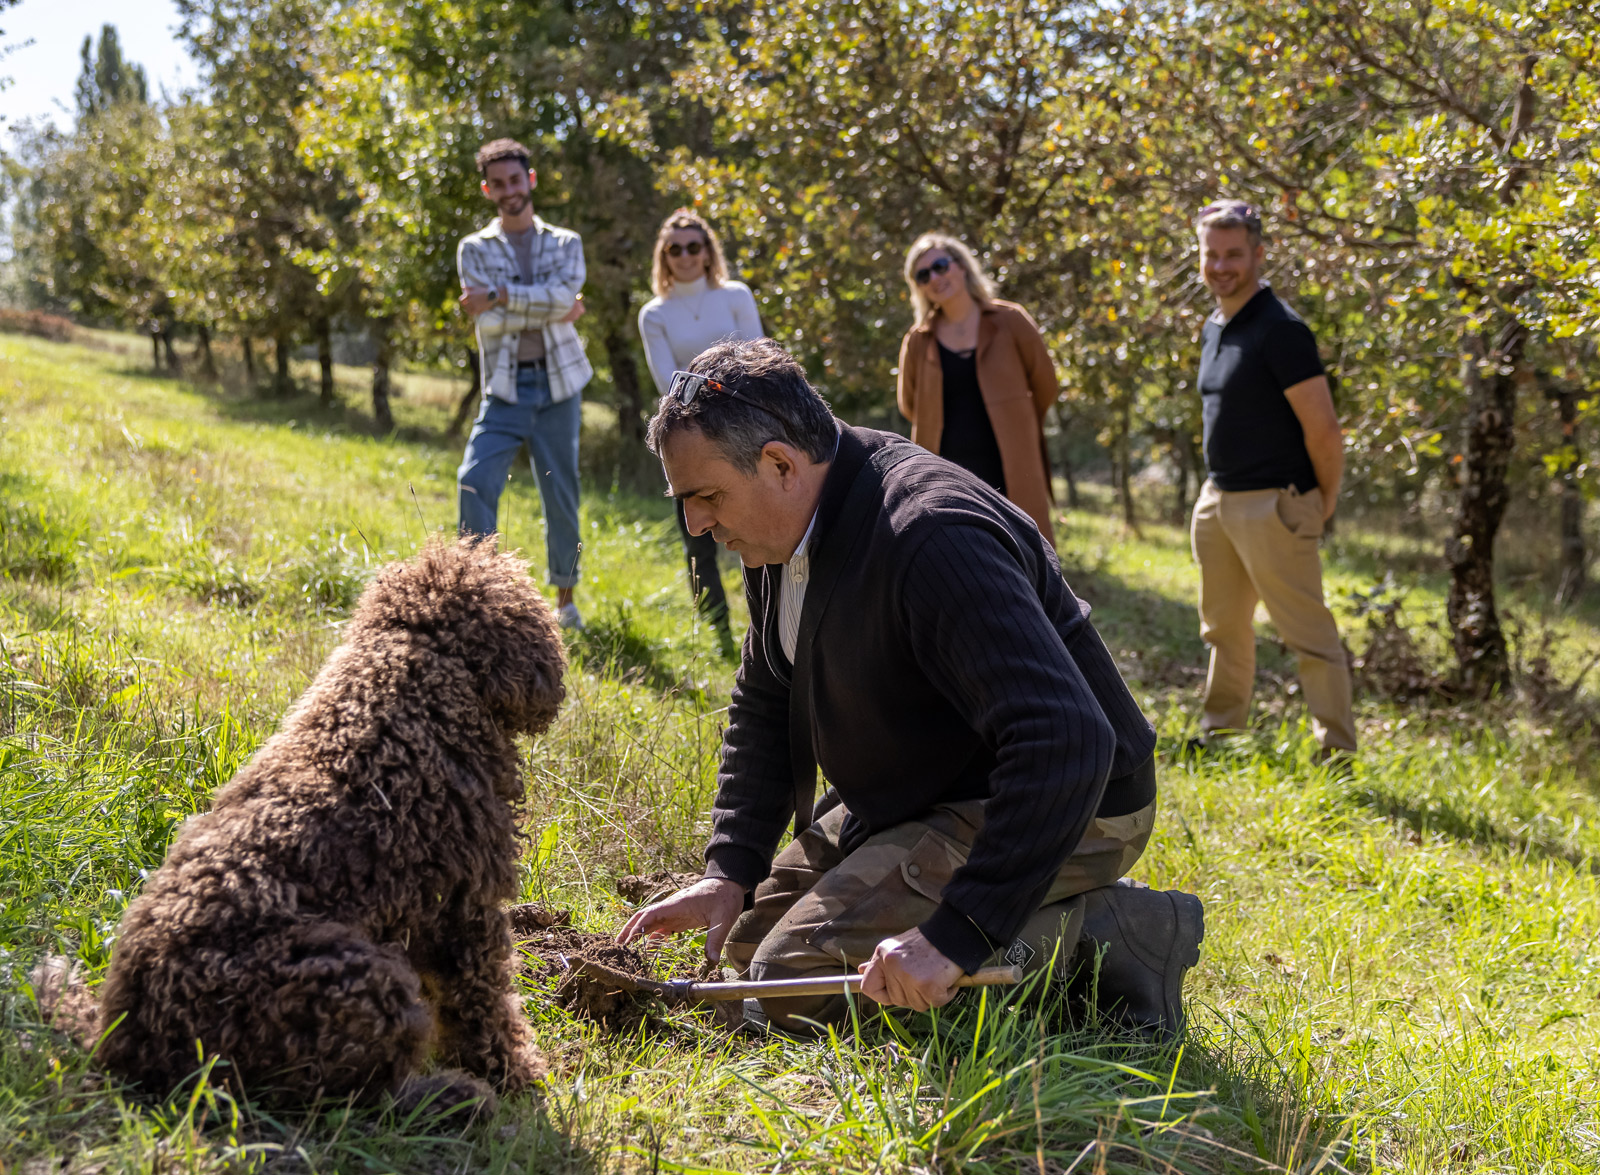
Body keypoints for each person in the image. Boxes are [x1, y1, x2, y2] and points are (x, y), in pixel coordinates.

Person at [617, 338, 1204, 1037]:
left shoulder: (929, 535)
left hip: (1069, 799)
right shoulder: (785, 529)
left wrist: (955, 936)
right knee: (743, 950)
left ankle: (1100, 935)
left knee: (789, 986)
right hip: (927, 788)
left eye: (708, 497)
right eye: (686, 500)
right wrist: (731, 868)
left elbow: (1066, 740)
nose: (696, 523)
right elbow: (771, 691)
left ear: (780, 463)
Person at [1189, 200, 1357, 757]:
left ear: (1259, 255)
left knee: (1308, 636)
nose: (1220, 266)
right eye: (1211, 254)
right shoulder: (1217, 325)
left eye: (1233, 254)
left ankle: (1336, 750)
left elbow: (1325, 431)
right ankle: (1221, 734)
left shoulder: (1281, 330)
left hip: (1274, 504)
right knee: (1224, 629)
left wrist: (1322, 500)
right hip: (1219, 500)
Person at [456, 137, 593, 629]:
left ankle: (565, 600)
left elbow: (554, 301)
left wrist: (498, 296)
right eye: (498, 184)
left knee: (561, 492)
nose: (508, 190)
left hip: (560, 387)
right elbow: (501, 320)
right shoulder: (474, 248)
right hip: (508, 387)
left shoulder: (565, 242)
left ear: (529, 180)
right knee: (474, 481)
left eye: (515, 179)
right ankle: (477, 595)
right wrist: (552, 304)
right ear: (487, 189)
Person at [637, 209, 763, 649]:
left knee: (762, 529)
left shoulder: (735, 294)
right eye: (675, 248)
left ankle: (767, 630)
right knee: (700, 539)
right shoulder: (654, 313)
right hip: (688, 439)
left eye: (694, 246)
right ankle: (719, 636)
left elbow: (754, 356)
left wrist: (730, 410)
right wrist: (711, 410)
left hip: (747, 428)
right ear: (664, 256)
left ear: (709, 251)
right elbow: (666, 382)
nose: (686, 256)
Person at [896, 233, 1060, 544]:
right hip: (947, 471)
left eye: (941, 266)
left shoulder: (1010, 320)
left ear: (961, 266)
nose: (934, 278)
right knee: (959, 559)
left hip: (1012, 464)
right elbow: (909, 404)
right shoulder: (919, 340)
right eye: (923, 275)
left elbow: (1045, 384)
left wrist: (1018, 420)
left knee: (1028, 553)